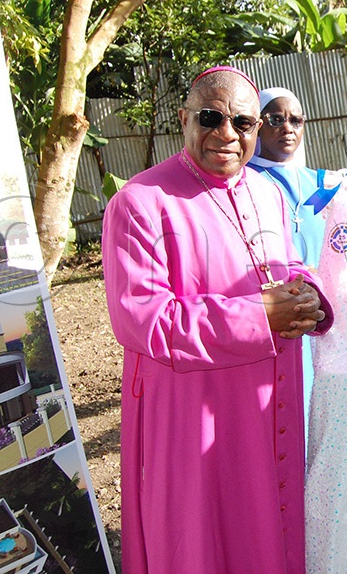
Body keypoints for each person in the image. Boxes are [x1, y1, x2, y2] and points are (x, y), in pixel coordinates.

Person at [102, 65, 333, 574]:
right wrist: (260, 315)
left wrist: (309, 297)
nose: (226, 134)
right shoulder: (140, 203)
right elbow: (144, 320)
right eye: (211, 117)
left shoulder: (267, 190)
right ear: (184, 119)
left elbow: (287, 266)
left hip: (268, 400)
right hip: (192, 411)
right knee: (201, 536)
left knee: (272, 525)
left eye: (243, 123)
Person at [248, 87, 326, 433]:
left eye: (295, 120)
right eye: (275, 119)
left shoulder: (322, 182)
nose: (287, 128)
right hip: (270, 313)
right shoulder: (242, 182)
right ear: (256, 126)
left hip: (317, 309)